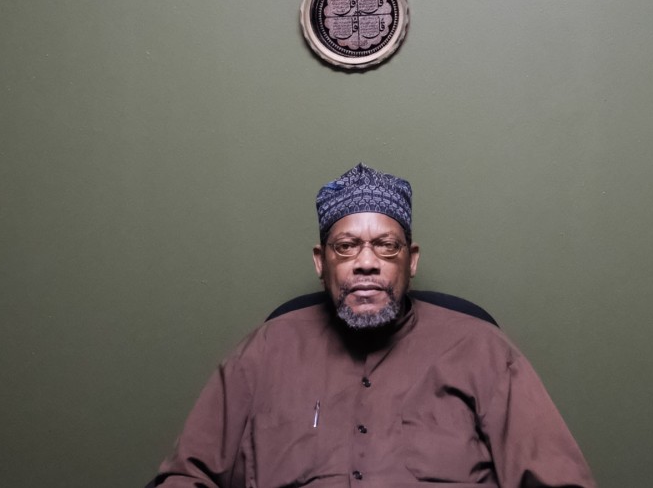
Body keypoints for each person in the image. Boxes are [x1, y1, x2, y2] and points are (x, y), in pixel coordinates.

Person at [150, 164, 596, 488]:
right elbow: (186, 476)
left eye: (385, 246)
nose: (366, 263)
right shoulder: (264, 352)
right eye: (347, 247)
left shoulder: (482, 351)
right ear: (321, 262)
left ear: (411, 260)